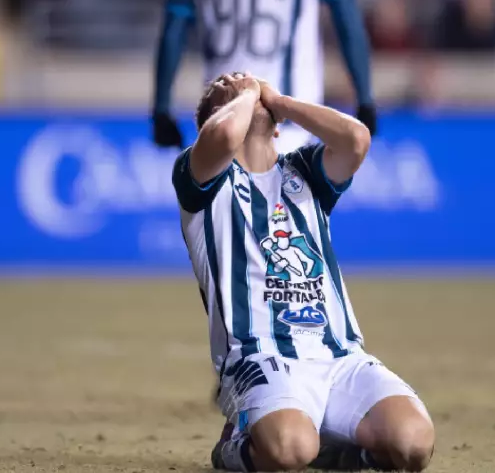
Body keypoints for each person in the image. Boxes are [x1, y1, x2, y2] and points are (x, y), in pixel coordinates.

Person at [172, 72, 434, 472]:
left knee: (413, 444)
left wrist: (283, 103)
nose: (241, 80)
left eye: (247, 82)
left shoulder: (305, 172)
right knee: (291, 451)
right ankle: (234, 448)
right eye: (225, 85)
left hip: (339, 356)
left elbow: (356, 139)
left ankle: (342, 453)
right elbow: (223, 137)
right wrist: (245, 94)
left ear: (278, 129)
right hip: (260, 358)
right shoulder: (204, 181)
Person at [153, 0, 377, 154]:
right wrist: (365, 98)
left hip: (222, 120)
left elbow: (174, 26)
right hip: (289, 122)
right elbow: (347, 19)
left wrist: (161, 107)